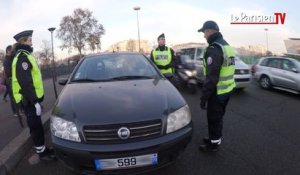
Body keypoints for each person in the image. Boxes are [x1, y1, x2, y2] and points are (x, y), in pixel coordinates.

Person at [11, 30, 55, 160]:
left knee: (37, 126)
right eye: (29, 40)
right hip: (29, 100)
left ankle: (42, 149)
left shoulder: (24, 55)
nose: (31, 42)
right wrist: (35, 101)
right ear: (23, 41)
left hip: (30, 100)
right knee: (35, 127)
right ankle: (42, 153)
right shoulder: (22, 58)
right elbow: (26, 83)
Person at [197, 21, 236, 152]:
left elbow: (211, 77)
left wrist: (204, 97)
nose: (204, 36)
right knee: (218, 118)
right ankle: (215, 138)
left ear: (209, 31)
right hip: (227, 90)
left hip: (217, 91)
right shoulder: (227, 46)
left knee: (214, 118)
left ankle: (213, 145)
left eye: (204, 32)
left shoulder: (214, 48)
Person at [2, 45, 18, 116]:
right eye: (11, 50)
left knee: (15, 96)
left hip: (13, 80)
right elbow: (8, 72)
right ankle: (15, 112)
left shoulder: (11, 58)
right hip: (9, 81)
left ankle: (18, 110)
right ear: (8, 51)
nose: (13, 51)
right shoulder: (6, 60)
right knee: (12, 97)